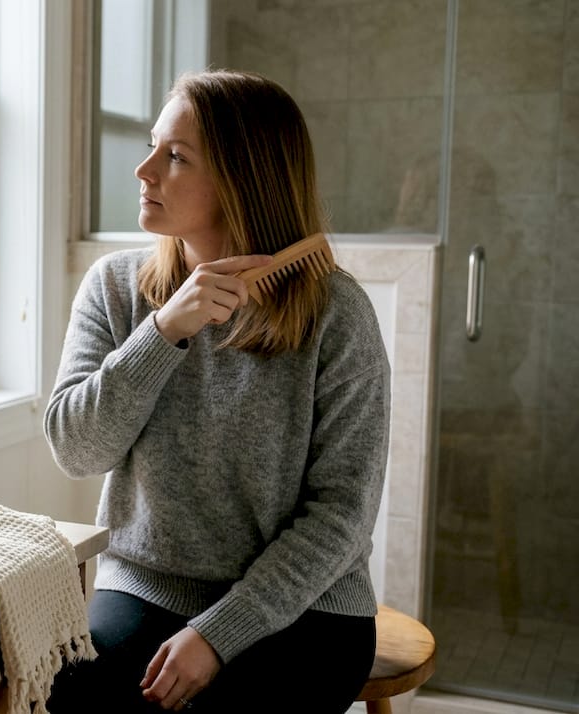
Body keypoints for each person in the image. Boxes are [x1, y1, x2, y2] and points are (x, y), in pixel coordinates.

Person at [44, 70, 390, 713]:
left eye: (175, 157)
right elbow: (75, 449)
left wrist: (218, 635)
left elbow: (343, 513)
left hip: (306, 606)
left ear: (242, 179)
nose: (144, 170)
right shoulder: (115, 288)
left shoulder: (339, 315)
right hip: (147, 585)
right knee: (72, 694)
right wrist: (164, 331)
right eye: (153, 146)